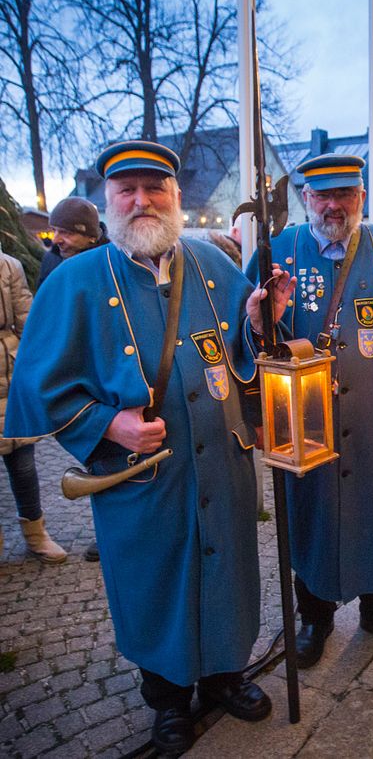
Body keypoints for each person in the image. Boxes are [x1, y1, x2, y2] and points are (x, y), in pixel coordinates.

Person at [5, 140, 295, 756]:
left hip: (223, 467)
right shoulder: (75, 282)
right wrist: (110, 426)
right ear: (108, 200)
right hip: (141, 480)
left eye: (154, 188)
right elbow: (38, 386)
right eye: (126, 190)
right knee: (153, 583)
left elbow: (243, 361)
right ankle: (166, 702)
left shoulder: (213, 265)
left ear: (176, 197)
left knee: (226, 575)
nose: (142, 201)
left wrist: (260, 319)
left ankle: (223, 677)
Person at [247, 154, 373, 669]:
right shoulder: (278, 251)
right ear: (306, 198)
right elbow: (246, 337)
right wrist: (263, 321)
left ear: (361, 197)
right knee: (308, 517)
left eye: (346, 195)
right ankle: (314, 618)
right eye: (322, 195)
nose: (334, 205)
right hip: (302, 423)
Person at [39, 196, 110, 563]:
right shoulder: (53, 260)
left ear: (88, 234)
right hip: (74, 373)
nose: (58, 238)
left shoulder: (110, 260)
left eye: (66, 231)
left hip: (106, 374)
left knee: (113, 457)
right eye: (56, 230)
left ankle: (110, 531)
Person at [0, 243, 66, 564]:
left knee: (23, 463)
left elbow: (27, 319)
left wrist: (39, 366)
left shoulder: (8, 266)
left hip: (9, 374)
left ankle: (36, 533)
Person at [38, 196, 108, 287]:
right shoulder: (51, 258)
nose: (55, 240)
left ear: (91, 237)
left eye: (66, 233)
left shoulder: (110, 262)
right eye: (54, 230)